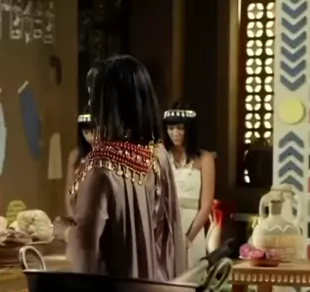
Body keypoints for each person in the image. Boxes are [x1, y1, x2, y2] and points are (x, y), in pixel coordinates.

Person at [68, 55, 185, 280]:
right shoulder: (157, 154)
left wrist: (65, 233)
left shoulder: (102, 166)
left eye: (95, 97)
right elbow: (167, 237)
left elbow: (86, 246)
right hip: (155, 287)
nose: (91, 105)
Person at [163, 103, 216, 267]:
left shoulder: (205, 159)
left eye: (180, 128)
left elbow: (206, 206)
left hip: (192, 225)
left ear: (190, 129)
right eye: (170, 128)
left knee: (191, 273)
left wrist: (187, 239)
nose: (175, 133)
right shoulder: (162, 158)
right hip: (165, 226)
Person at [63, 112, 96, 217]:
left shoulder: (106, 156)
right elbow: (68, 190)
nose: (90, 135)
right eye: (86, 132)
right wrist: (70, 216)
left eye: (93, 131)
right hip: (78, 210)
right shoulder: (75, 155)